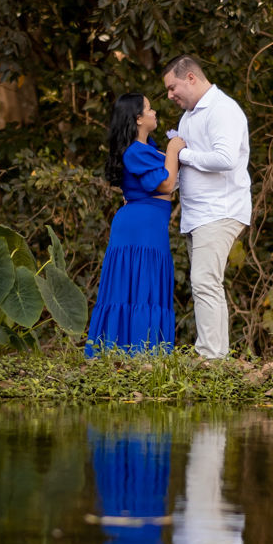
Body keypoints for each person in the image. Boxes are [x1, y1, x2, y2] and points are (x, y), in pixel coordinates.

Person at [162, 54, 251, 360]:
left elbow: (225, 159)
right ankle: (215, 355)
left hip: (220, 210)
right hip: (197, 215)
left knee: (204, 282)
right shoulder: (189, 116)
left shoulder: (222, 109)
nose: (170, 95)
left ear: (190, 78)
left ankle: (211, 357)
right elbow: (185, 165)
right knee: (205, 283)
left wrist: (181, 154)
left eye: (172, 87)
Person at [85, 93, 185, 357]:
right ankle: (133, 352)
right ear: (138, 118)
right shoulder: (135, 150)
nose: (154, 113)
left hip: (149, 224)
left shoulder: (146, 148)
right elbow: (166, 184)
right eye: (149, 109)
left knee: (144, 284)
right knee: (140, 283)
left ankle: (141, 352)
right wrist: (173, 149)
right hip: (140, 227)